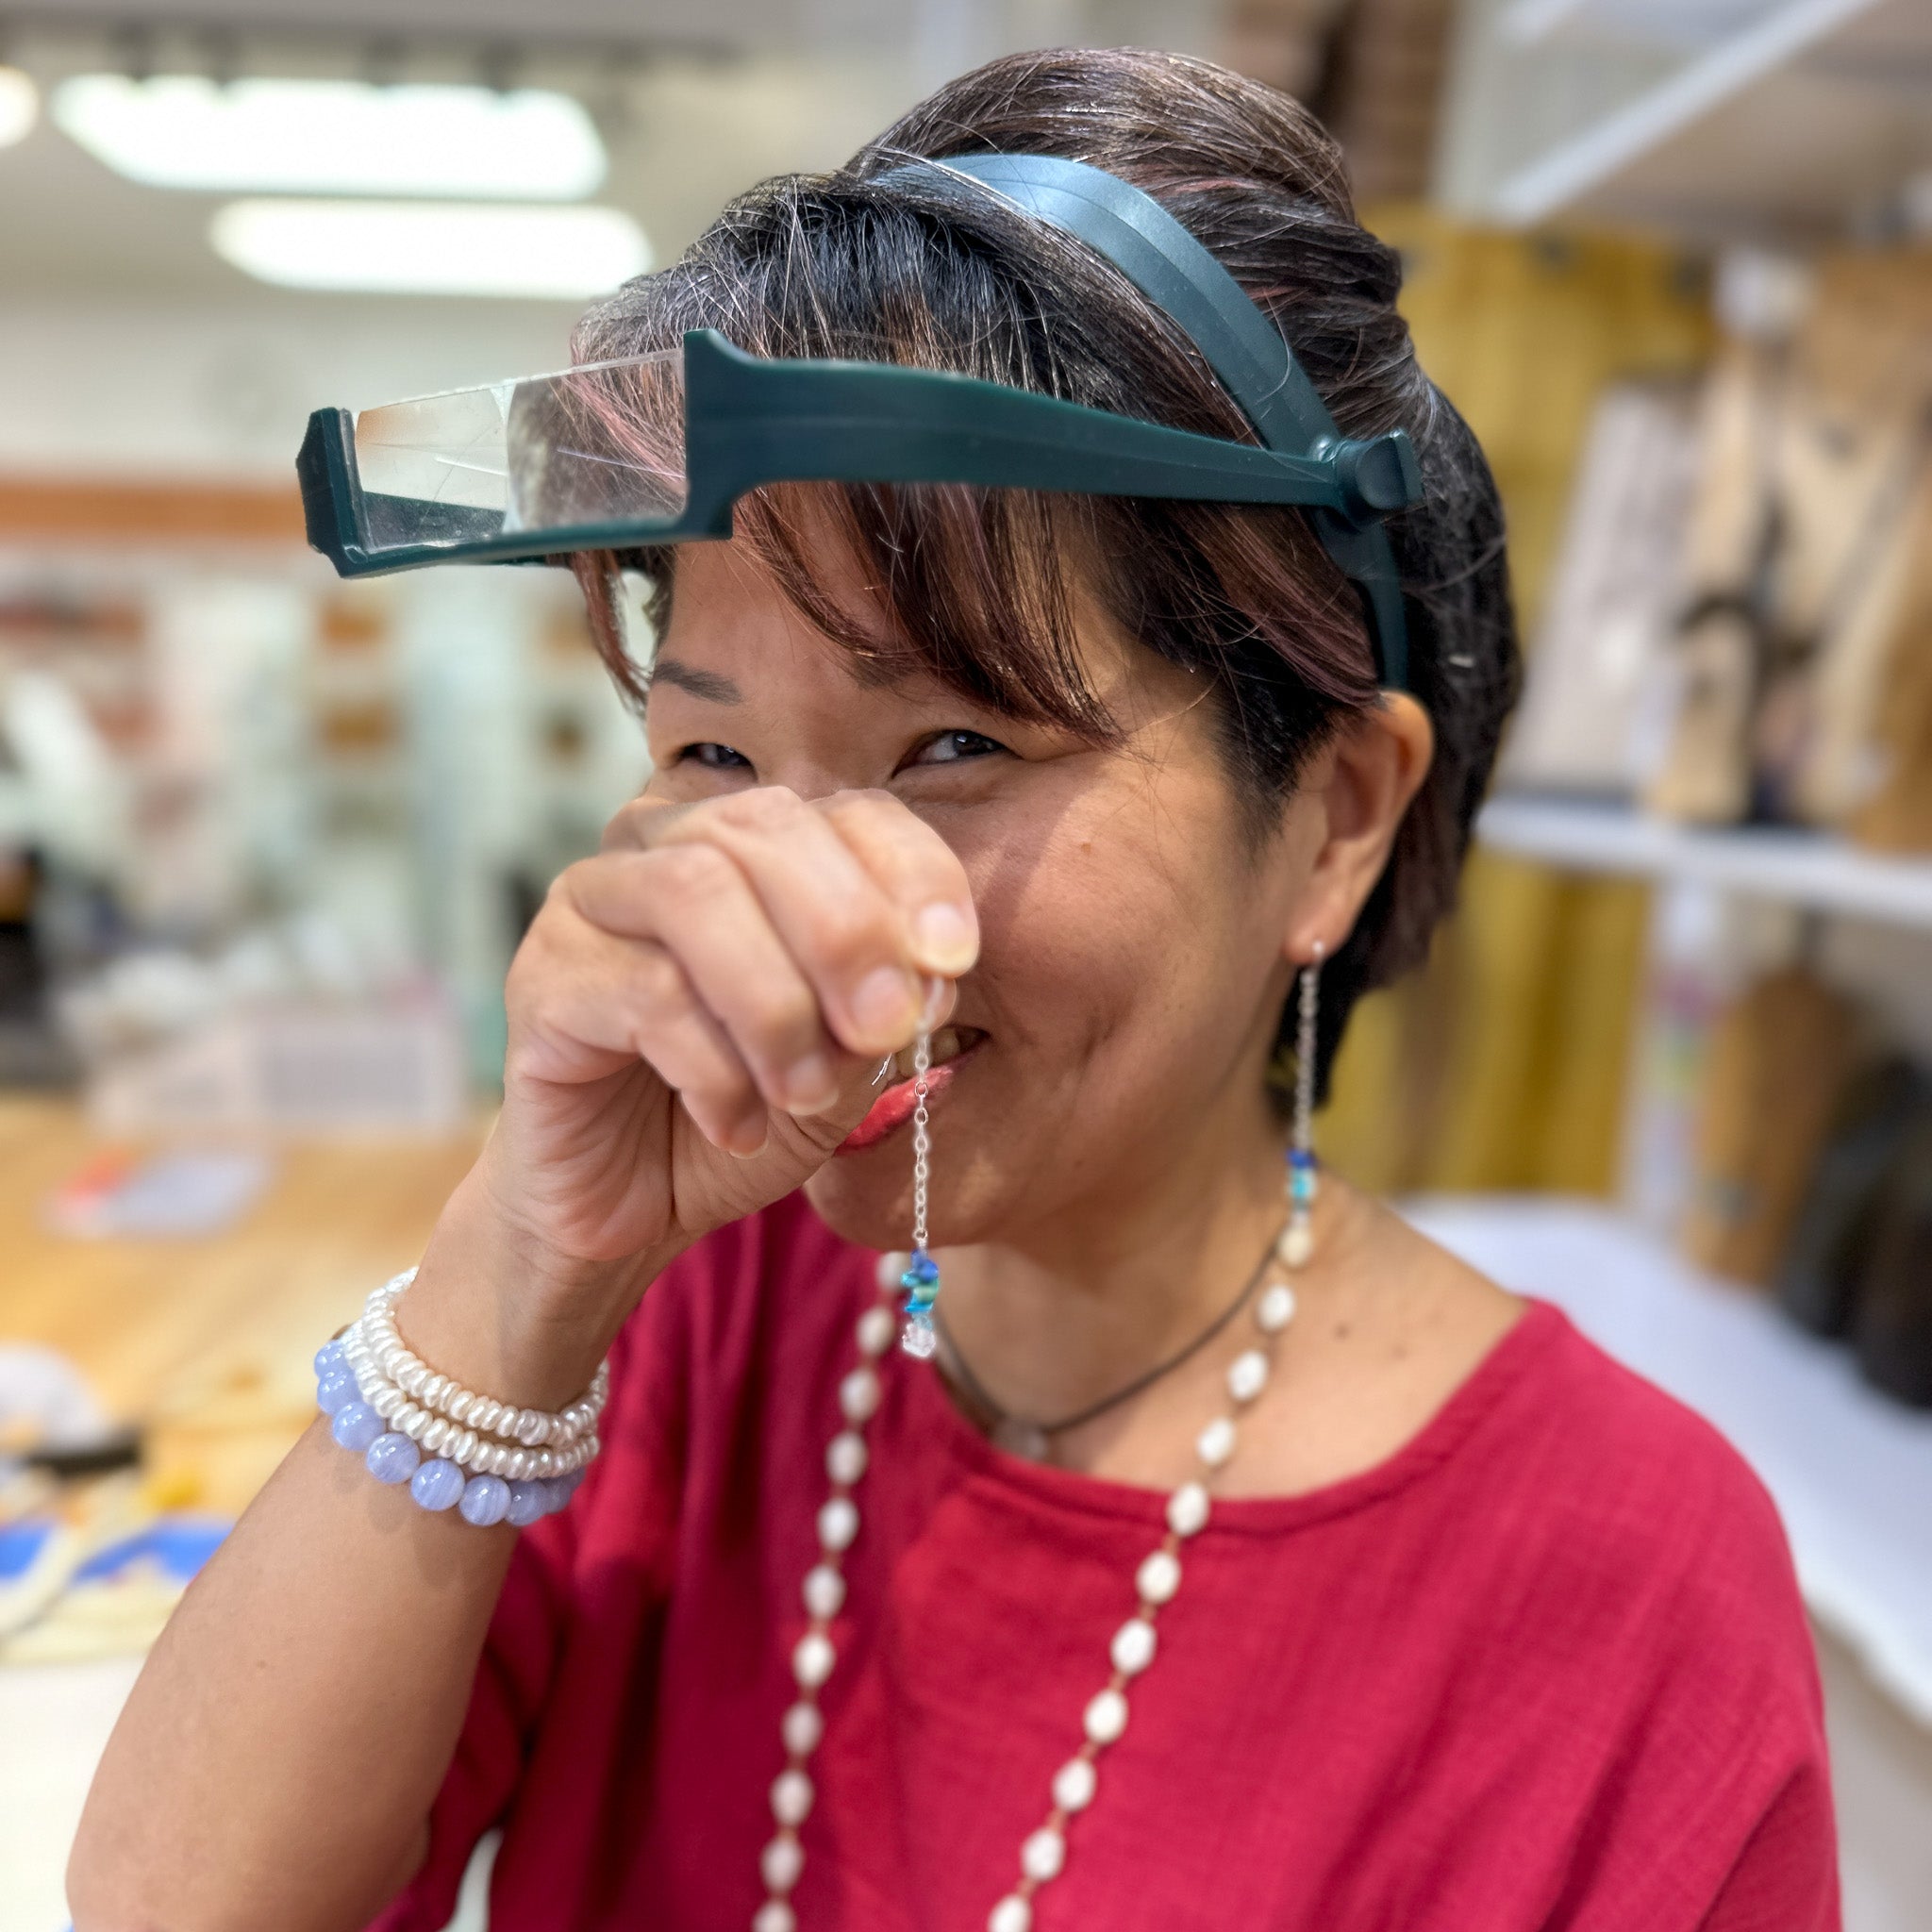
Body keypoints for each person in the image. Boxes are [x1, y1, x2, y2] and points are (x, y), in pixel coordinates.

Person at [70, 46, 1837, 1932]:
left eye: (954, 747)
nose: (794, 903)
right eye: (713, 760)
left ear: (1330, 819)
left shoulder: (1621, 1584)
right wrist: (513, 1266)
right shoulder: (675, 1316)